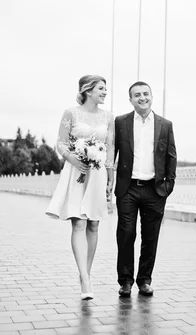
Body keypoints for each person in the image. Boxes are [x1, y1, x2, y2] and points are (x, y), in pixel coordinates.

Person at [45, 75, 115, 300]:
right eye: (101, 88)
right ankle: (85, 278)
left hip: (98, 174)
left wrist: (110, 177)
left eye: (106, 89)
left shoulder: (108, 117)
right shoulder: (71, 113)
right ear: (88, 90)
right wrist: (73, 159)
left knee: (93, 224)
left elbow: (110, 148)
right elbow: (61, 142)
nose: (105, 92)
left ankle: (87, 270)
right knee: (79, 222)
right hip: (76, 171)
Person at [112, 81, 177, 297]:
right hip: (128, 188)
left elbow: (171, 156)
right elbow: (112, 153)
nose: (142, 98)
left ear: (152, 96)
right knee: (126, 234)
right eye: (137, 95)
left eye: (145, 94)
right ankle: (125, 281)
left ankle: (145, 280)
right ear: (130, 99)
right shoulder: (120, 122)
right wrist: (106, 181)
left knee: (150, 237)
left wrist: (168, 185)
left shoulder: (165, 124)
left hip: (154, 190)